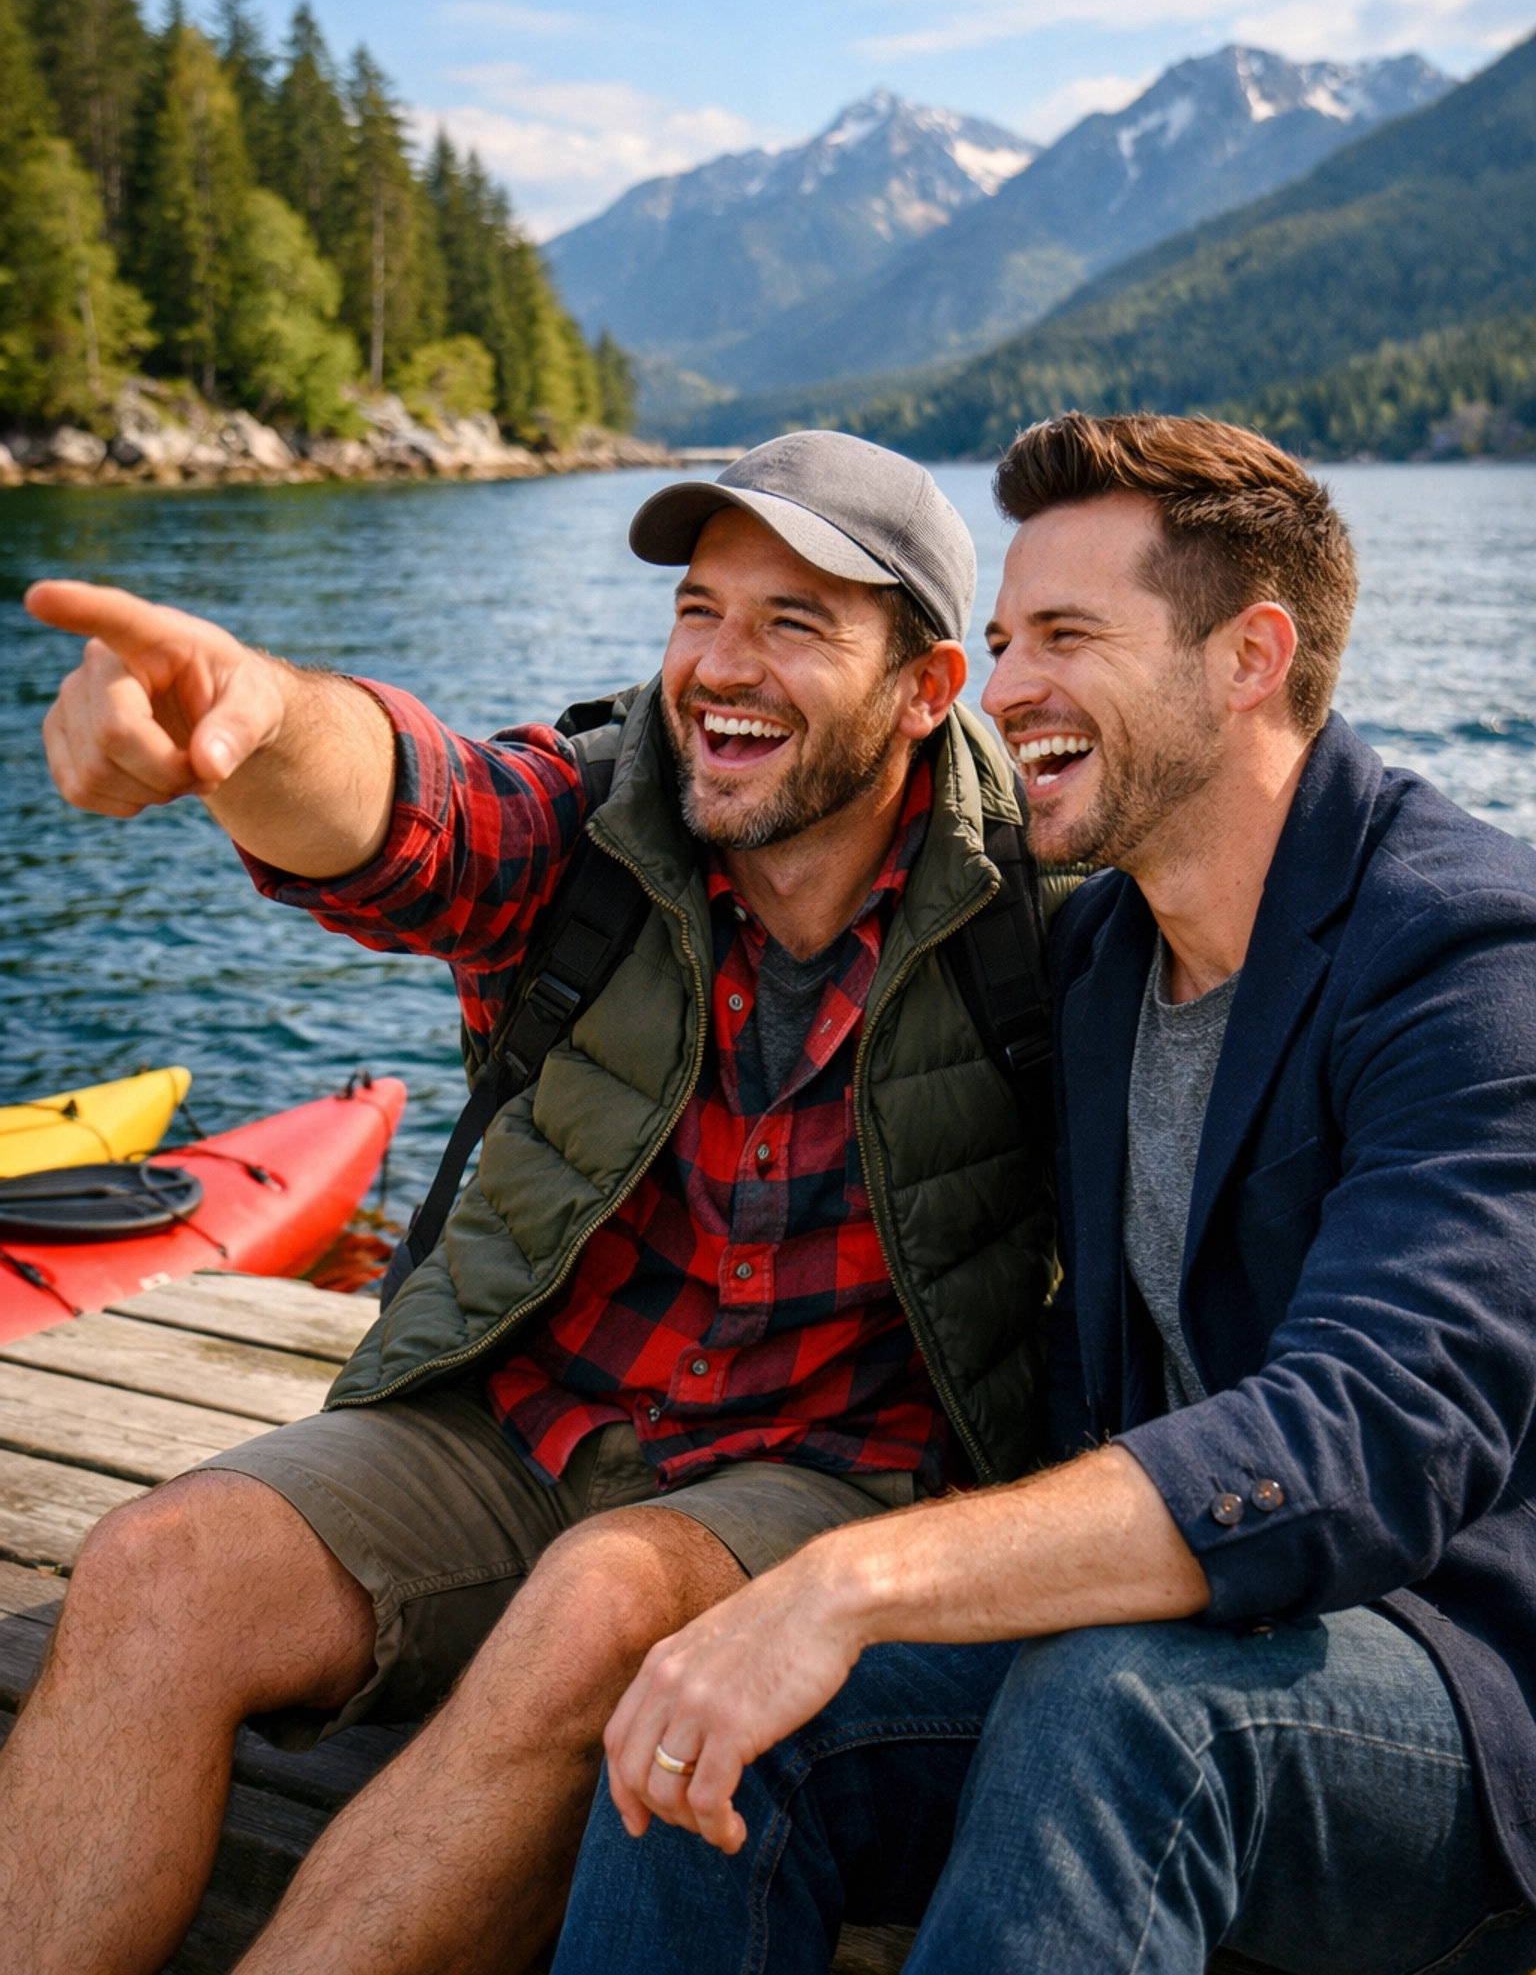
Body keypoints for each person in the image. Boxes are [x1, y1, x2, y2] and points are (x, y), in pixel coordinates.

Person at [0, 431, 1061, 1975]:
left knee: (597, 1602)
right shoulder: (601, 812)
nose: (721, 665)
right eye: (700, 609)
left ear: (928, 688)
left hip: (830, 1469)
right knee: (158, 1568)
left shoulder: (1041, 899)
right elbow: (408, 808)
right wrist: (242, 720)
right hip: (517, 1414)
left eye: (795, 622)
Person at [552, 413, 1536, 1975]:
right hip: (1166, 1640)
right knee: (716, 1714)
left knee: (1114, 1700)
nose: (1005, 692)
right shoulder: (1093, 959)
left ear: (1250, 656)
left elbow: (1377, 1429)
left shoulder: (1468, 961)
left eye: (1066, 636)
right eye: (1003, 640)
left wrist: (856, 1574)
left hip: (1455, 1695)